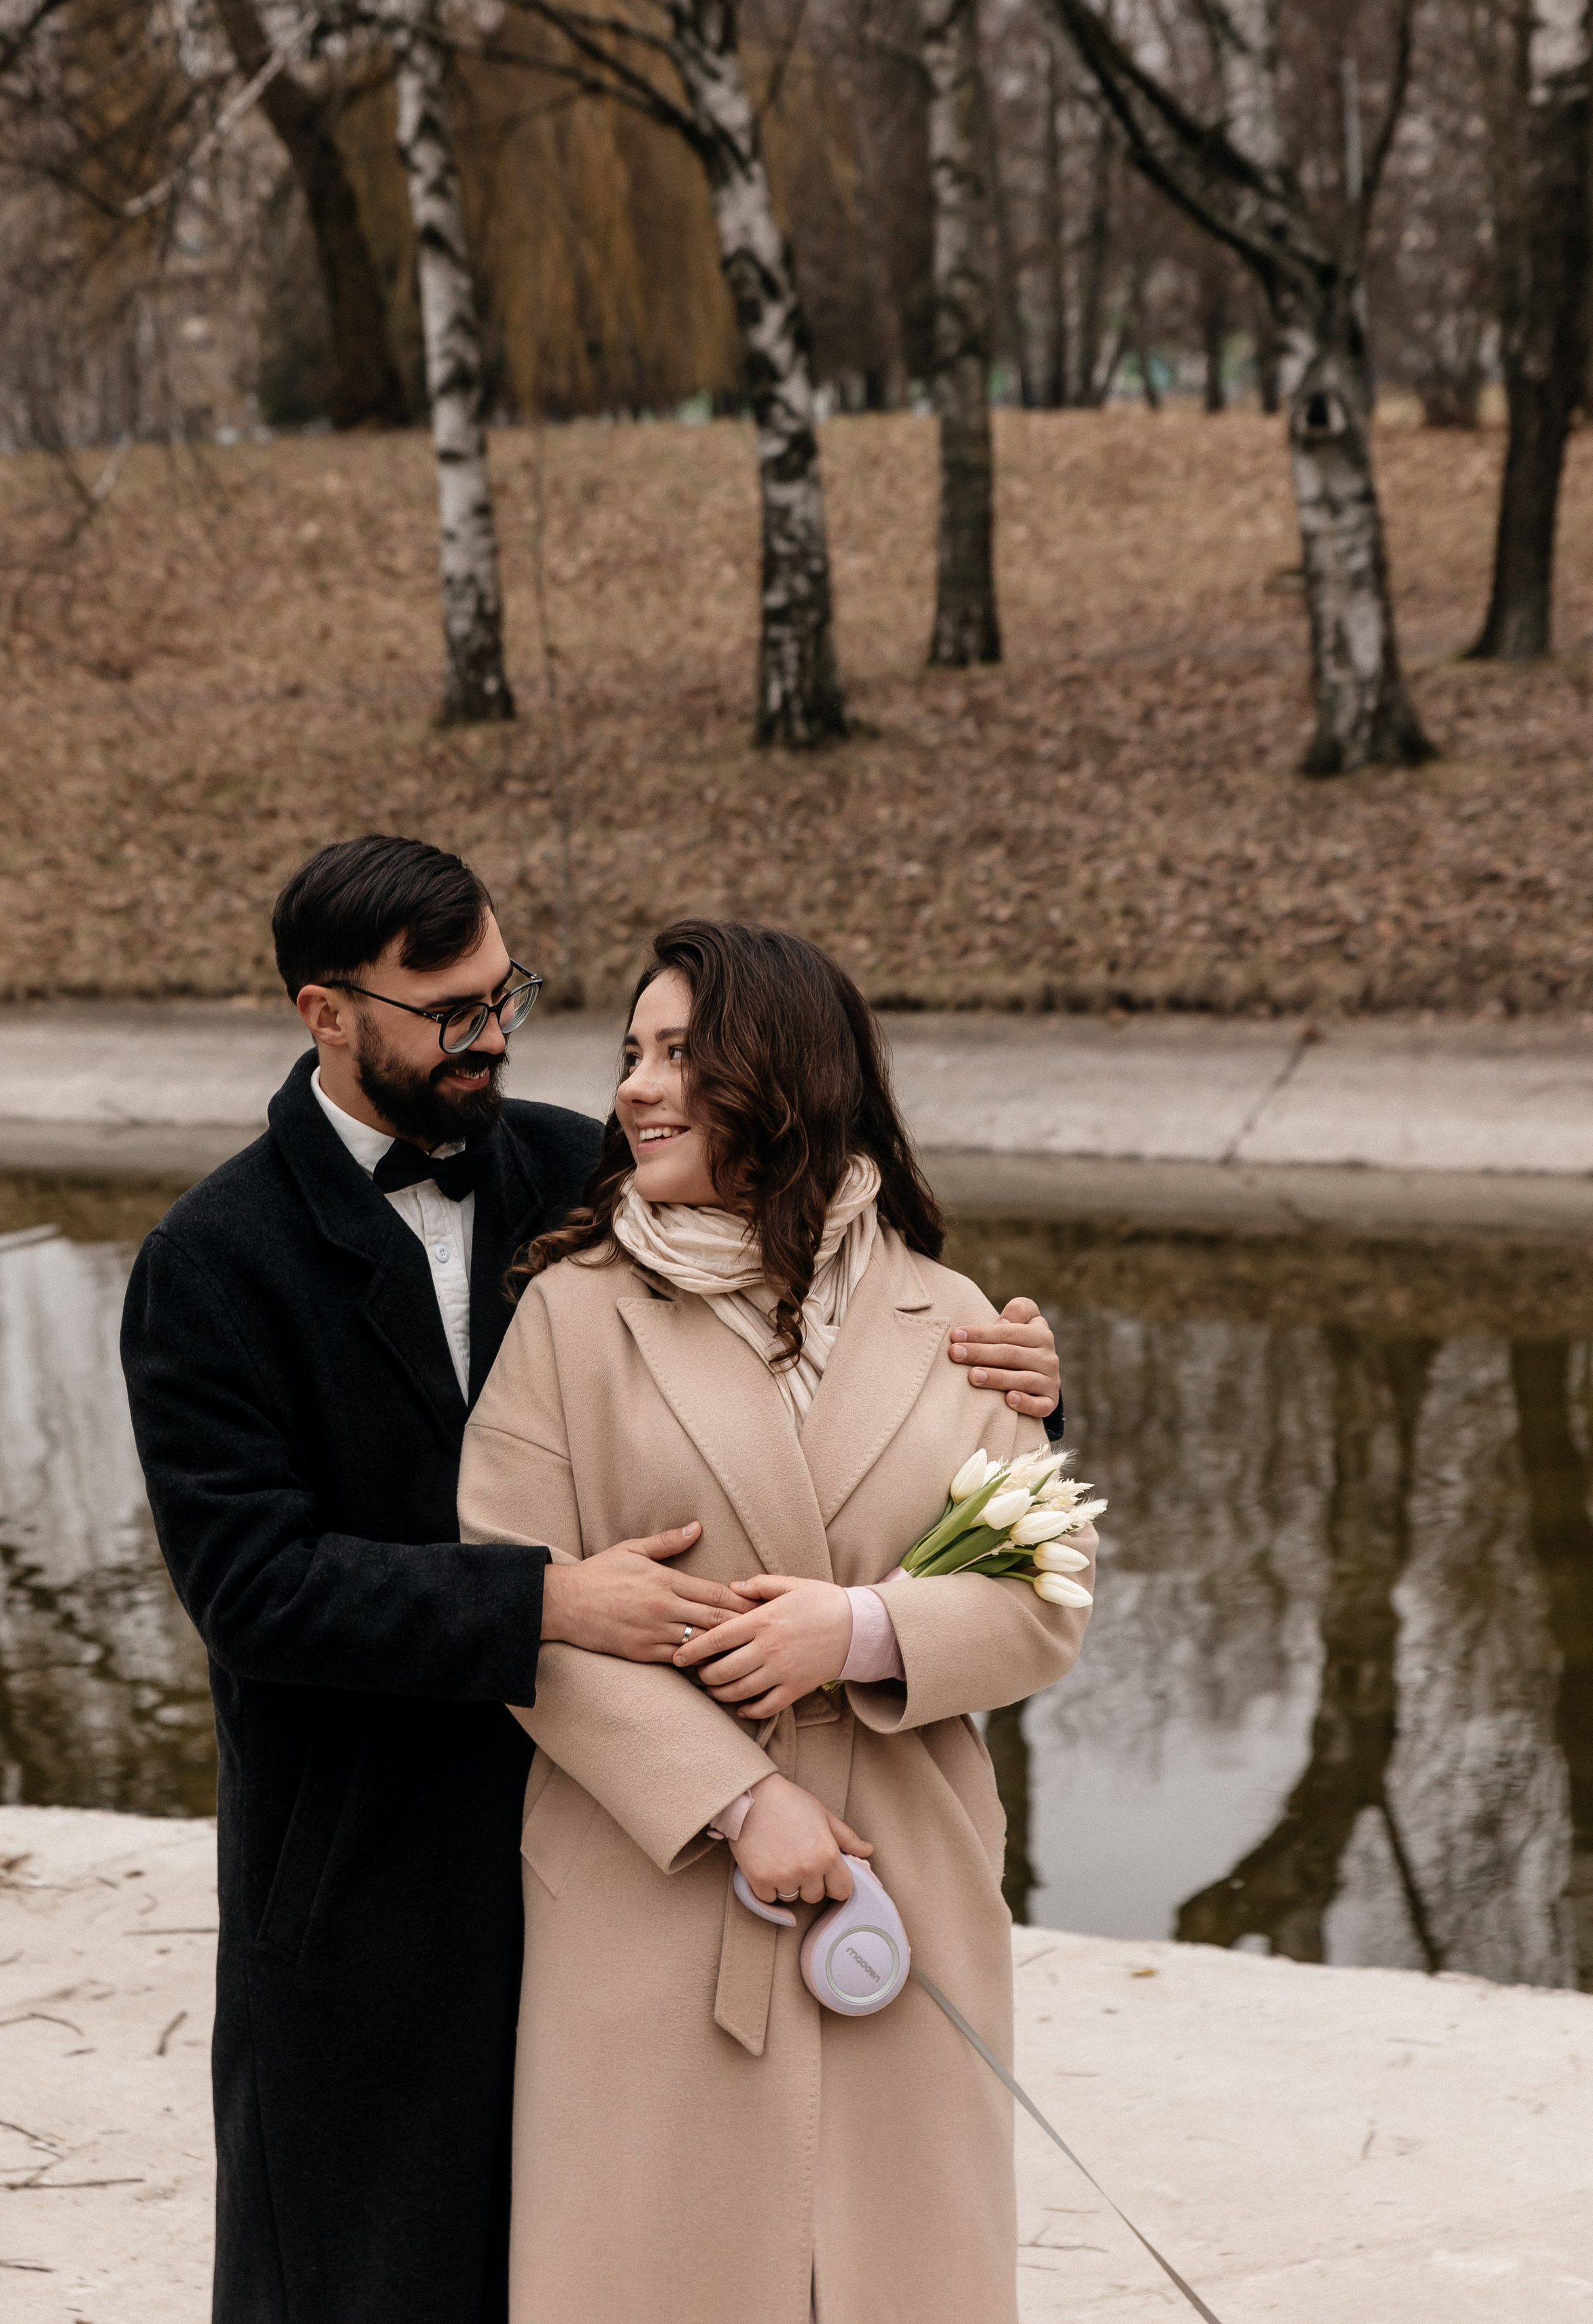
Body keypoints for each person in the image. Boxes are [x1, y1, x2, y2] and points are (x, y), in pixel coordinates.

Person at [122, 839, 1066, 2324]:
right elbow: (249, 1587)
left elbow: (879, 1391)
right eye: (452, 1013)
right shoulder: (212, 1260)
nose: (496, 1037)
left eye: (509, 995)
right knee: (382, 2271)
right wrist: (543, 1606)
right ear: (327, 1013)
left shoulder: (589, 1170)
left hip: (640, 1855)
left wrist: (1023, 1399)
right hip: (385, 1861)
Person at [458, 918, 1096, 2324]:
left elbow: (1046, 1587)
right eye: (631, 1053)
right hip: (652, 1883)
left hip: (904, 1873)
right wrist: (738, 1801)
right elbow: (515, 1599)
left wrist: (859, 1631)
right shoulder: (571, 1314)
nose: (635, 1087)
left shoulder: (954, 1315)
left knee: (899, 2278)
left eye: (679, 1053)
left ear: (784, 1073)